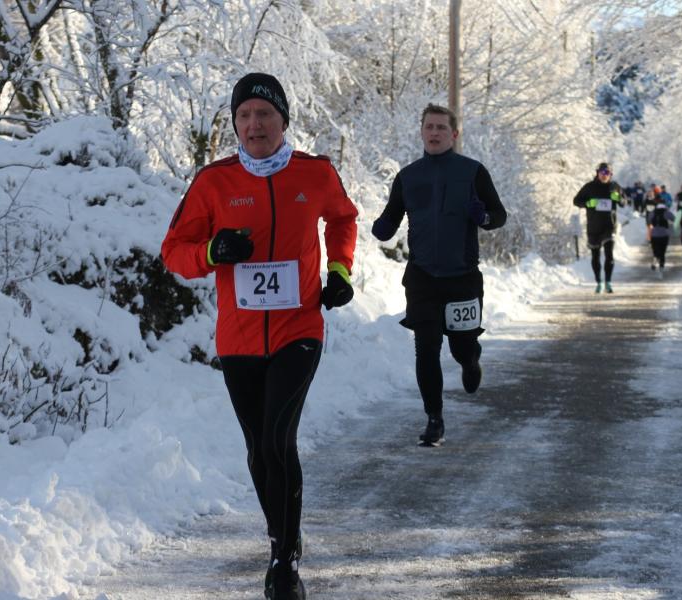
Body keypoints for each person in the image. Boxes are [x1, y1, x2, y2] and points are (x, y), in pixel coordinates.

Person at [161, 72, 358, 600]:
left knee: (278, 439)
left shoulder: (314, 173)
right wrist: (210, 253)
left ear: (283, 121)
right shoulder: (213, 183)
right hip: (239, 337)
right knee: (257, 450)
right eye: (244, 116)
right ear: (235, 125)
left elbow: (343, 219)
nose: (254, 125)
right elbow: (174, 250)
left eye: (264, 114)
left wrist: (339, 272)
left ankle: (283, 561)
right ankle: (282, 537)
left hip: (299, 328)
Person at [371, 104, 507, 447]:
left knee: (460, 346)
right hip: (423, 278)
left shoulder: (473, 172)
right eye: (428, 127)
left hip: (462, 276)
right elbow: (390, 218)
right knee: (426, 348)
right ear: (421, 132)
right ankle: (435, 419)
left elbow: (499, 215)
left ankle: (471, 360)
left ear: (454, 134)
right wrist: (382, 227)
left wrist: (483, 217)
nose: (434, 133)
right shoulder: (408, 176)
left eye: (441, 128)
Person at [573, 162, 623, 293]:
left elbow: (624, 202)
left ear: (610, 174)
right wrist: (588, 203)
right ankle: (598, 282)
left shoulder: (614, 186)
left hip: (609, 226)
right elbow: (576, 201)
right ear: (597, 173)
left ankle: (608, 282)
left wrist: (618, 197)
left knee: (609, 255)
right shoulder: (589, 187)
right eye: (602, 173)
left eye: (607, 173)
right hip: (594, 227)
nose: (604, 175)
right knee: (595, 256)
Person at [646, 197, 675, 277]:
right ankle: (661, 270)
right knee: (662, 252)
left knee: (655, 250)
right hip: (664, 234)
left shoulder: (653, 212)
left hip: (654, 234)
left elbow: (649, 220)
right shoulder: (666, 212)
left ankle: (655, 258)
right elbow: (673, 218)